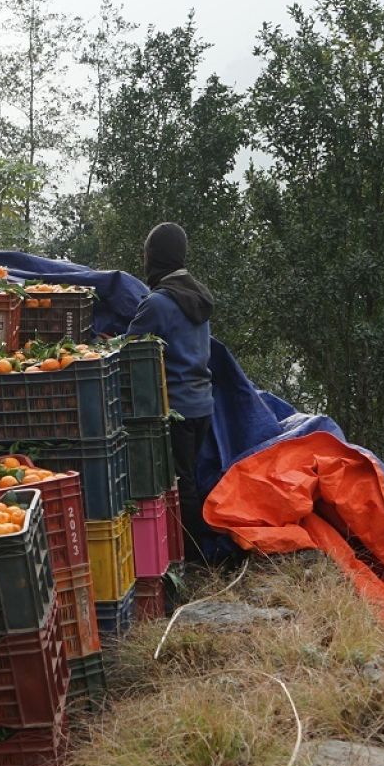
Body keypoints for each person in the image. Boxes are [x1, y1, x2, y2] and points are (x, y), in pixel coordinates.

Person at [126, 222, 221, 563]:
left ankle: (192, 560)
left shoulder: (158, 304)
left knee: (180, 487)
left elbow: (129, 353)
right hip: (202, 405)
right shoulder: (198, 297)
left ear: (155, 257)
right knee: (190, 481)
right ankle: (193, 554)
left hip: (175, 410)